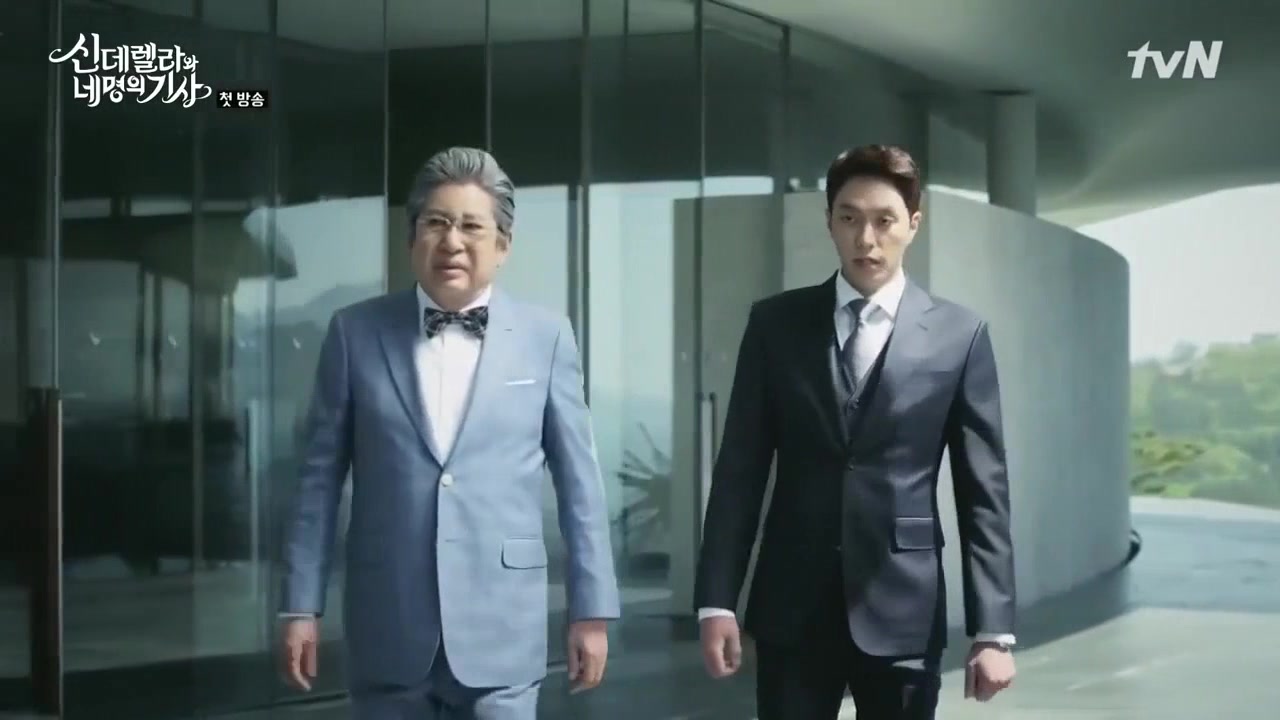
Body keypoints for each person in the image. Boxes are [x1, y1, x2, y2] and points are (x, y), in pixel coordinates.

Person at [278, 147, 621, 720]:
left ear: (503, 244)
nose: (452, 242)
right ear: (412, 237)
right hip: (388, 626)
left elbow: (580, 484)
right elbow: (317, 483)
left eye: (471, 226)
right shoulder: (354, 333)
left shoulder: (546, 337)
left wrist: (591, 611)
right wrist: (299, 606)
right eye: (436, 223)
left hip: (503, 630)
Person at [694, 145, 1017, 719]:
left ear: (913, 224)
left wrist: (993, 629)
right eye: (849, 218)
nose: (866, 239)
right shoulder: (775, 325)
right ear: (829, 222)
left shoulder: (960, 335)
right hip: (792, 606)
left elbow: (983, 491)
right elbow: (740, 469)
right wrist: (716, 600)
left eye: (884, 220)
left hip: (905, 607)